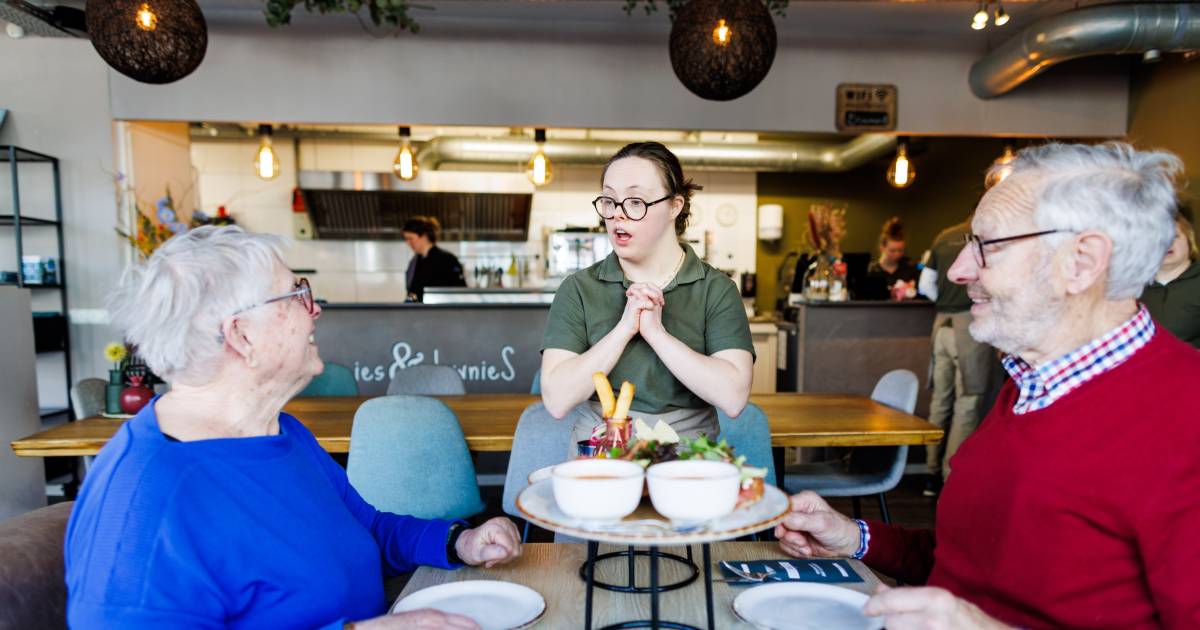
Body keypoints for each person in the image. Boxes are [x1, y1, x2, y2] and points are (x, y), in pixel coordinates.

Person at [776, 142, 1200, 629]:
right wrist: (855, 538)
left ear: (1081, 262)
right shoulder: (1029, 385)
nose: (958, 271)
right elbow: (966, 563)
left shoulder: (1186, 420)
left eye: (989, 246)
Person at [66, 226, 521, 629]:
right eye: (296, 294)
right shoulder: (143, 505)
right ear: (242, 335)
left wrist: (458, 541)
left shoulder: (278, 431)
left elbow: (367, 529)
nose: (315, 309)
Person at [539, 141, 754, 449]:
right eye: (610, 201)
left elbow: (733, 397)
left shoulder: (717, 289)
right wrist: (624, 329)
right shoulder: (578, 289)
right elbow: (557, 400)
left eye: (635, 201)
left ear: (674, 206)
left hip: (688, 458)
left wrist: (657, 334)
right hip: (600, 456)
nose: (617, 215)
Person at [916, 212, 998, 495]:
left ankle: (930, 473)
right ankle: (950, 479)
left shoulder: (943, 236)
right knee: (968, 402)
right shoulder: (986, 237)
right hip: (968, 326)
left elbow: (924, 285)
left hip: (941, 326)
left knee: (940, 400)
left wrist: (945, 301)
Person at [1142, 204, 1200, 348]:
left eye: (1174, 237)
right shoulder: (1131, 288)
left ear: (1189, 240)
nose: (1167, 244)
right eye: (1158, 239)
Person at [402, 216, 467, 302]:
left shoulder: (447, 260)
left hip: (442, 309)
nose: (408, 243)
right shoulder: (414, 262)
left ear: (424, 236)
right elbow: (413, 292)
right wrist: (407, 305)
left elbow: (460, 291)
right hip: (420, 309)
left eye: (410, 238)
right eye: (406, 239)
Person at [865, 216, 918, 300]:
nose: (897, 254)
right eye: (892, 251)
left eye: (900, 250)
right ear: (882, 248)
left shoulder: (910, 270)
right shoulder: (871, 271)